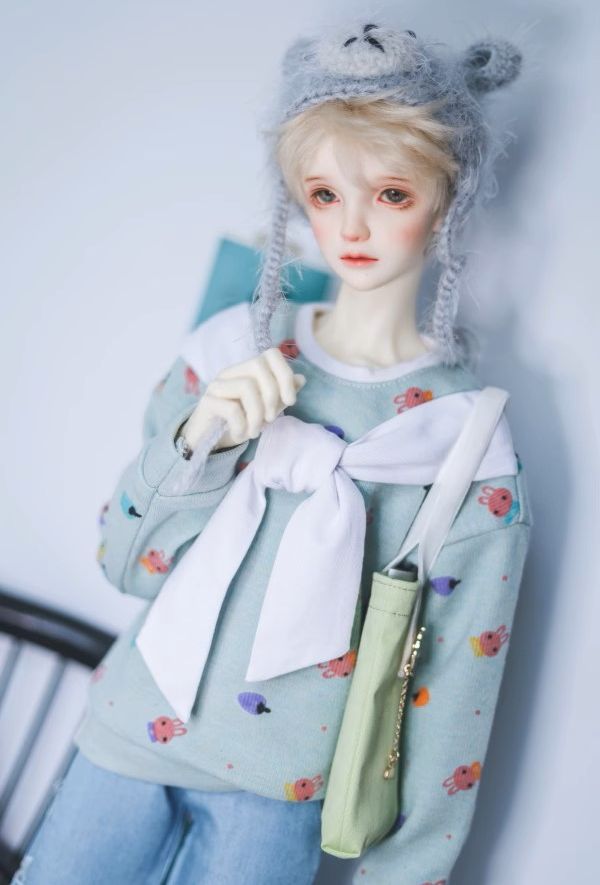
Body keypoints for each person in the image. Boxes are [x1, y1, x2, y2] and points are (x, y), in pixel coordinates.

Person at [14, 18, 533, 885]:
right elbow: (126, 563)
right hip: (128, 734)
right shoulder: (232, 349)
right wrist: (200, 443)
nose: (353, 225)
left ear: (449, 197)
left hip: (281, 789)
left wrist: (403, 874)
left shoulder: (463, 439)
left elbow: (451, 696)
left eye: (392, 194)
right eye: (324, 194)